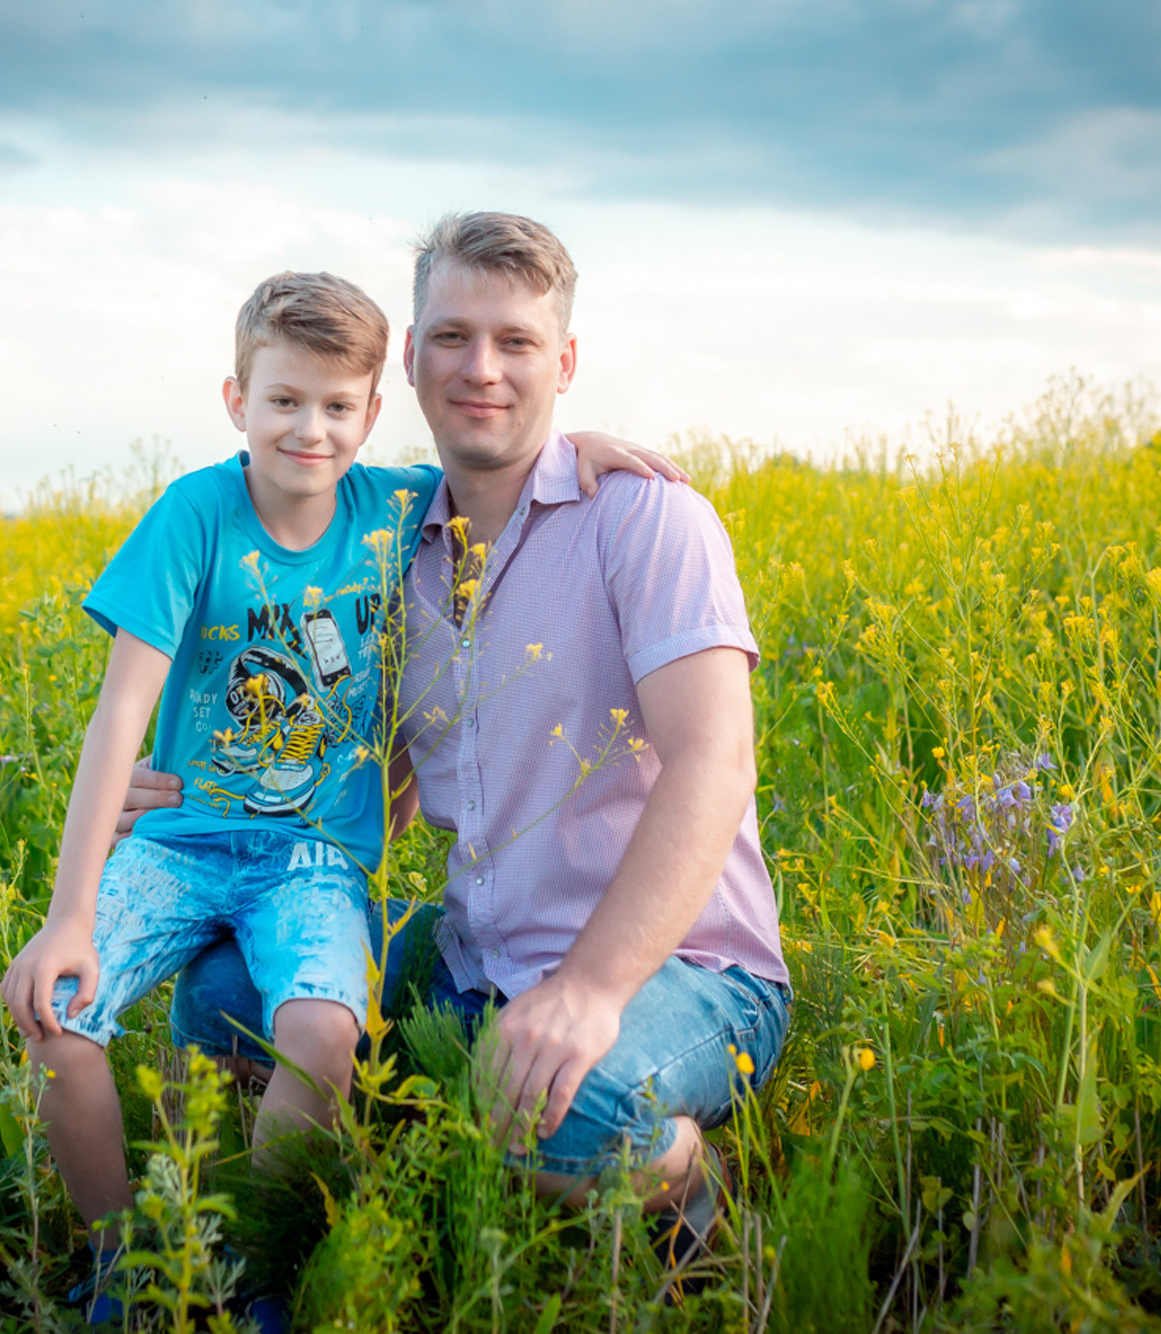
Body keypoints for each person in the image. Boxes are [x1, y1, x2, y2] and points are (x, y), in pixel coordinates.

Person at [0, 268, 676, 1308]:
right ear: (237, 401)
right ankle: (121, 1264)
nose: (308, 429)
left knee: (321, 1031)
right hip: (177, 843)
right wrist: (67, 914)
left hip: (315, 861)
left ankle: (265, 1266)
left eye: (335, 406)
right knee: (59, 1015)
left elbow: (504, 466)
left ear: (370, 411)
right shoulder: (194, 515)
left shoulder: (390, 507)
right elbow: (116, 715)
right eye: (281, 401)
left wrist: (580, 447)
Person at [139, 213, 793, 1269]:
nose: (479, 367)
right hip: (474, 960)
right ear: (407, 355)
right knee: (222, 998)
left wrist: (586, 990)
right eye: (450, 336)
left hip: (681, 968)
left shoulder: (647, 521)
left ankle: (689, 1180)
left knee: (555, 1114)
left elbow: (713, 765)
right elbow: (359, 774)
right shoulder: (389, 548)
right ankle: (290, 1223)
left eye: (516, 341)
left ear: (565, 362)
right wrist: (177, 797)